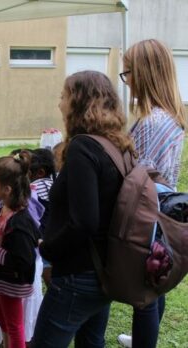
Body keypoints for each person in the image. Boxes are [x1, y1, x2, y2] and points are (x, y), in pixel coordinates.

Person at [32, 70, 134, 348]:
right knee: (91, 342)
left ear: (80, 102)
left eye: (63, 96)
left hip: (79, 275)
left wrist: (47, 248)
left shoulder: (83, 149)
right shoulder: (117, 145)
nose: (59, 103)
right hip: (104, 270)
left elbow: (85, 222)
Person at [117, 39, 186, 348]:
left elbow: (139, 175)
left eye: (127, 73)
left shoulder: (153, 122)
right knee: (155, 282)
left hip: (148, 213)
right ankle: (144, 339)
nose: (126, 81)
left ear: (143, 74)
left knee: (144, 292)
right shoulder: (168, 116)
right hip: (158, 211)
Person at [0, 151, 40, 348]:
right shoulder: (4, 209)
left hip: (13, 281)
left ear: (7, 189)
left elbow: (22, 259)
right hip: (3, 278)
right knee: (1, 316)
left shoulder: (20, 222)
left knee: (14, 324)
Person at [29, 148, 56, 288]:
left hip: (41, 237)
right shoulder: (54, 183)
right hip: (56, 234)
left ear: (40, 172)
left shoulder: (34, 187)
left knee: (46, 267)